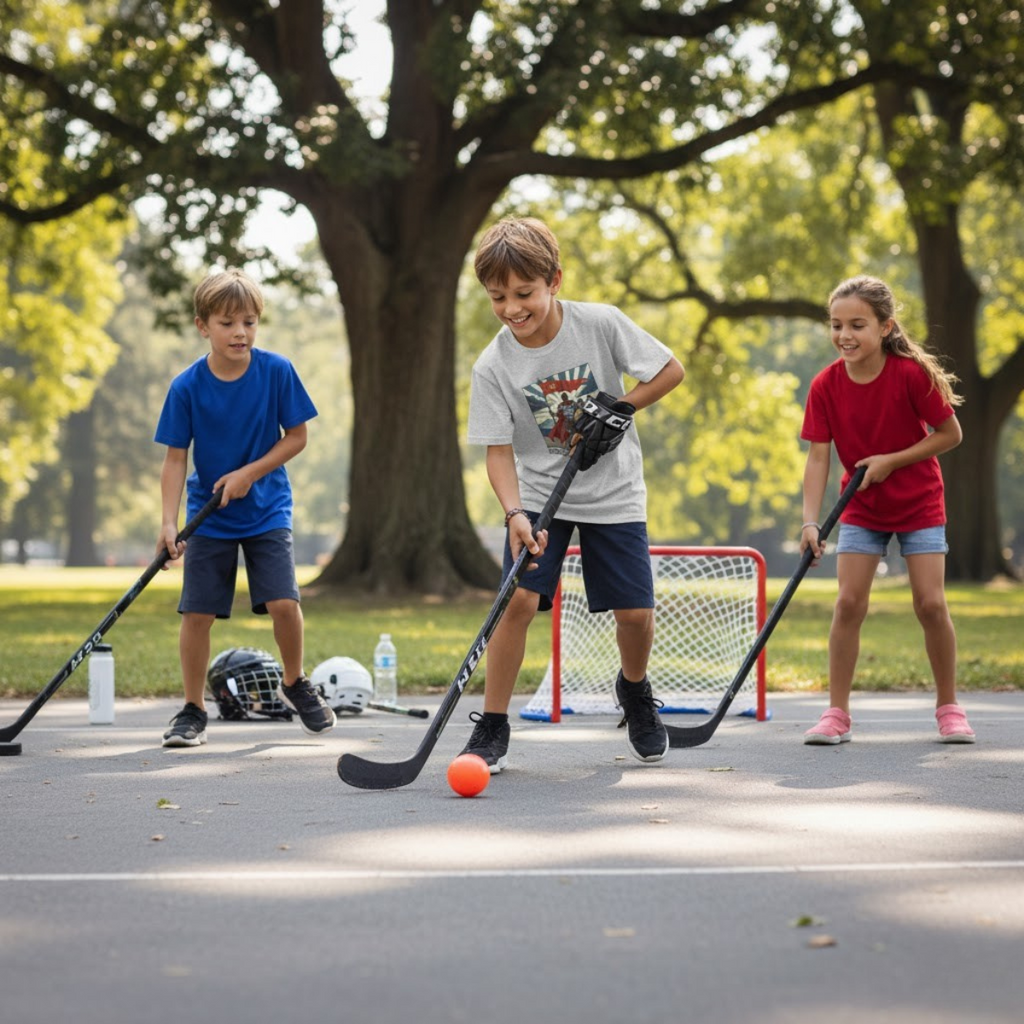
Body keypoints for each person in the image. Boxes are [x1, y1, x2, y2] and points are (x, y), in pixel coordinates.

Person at [464, 216, 686, 772]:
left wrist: (623, 407)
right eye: (498, 297)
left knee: (634, 614)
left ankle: (633, 690)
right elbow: (497, 451)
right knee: (517, 602)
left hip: (613, 494)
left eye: (524, 293)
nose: (513, 308)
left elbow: (670, 370)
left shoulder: (600, 324)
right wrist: (514, 512)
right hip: (540, 496)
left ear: (554, 280)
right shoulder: (493, 365)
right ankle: (492, 724)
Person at [154, 268, 335, 748]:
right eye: (228, 323)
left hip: (267, 507)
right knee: (197, 613)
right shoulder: (186, 386)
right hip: (208, 515)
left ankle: (294, 682)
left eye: (250, 322)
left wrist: (249, 473)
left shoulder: (276, 371)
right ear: (203, 325)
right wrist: (169, 523)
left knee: (283, 603)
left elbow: (297, 437)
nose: (241, 333)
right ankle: (192, 710)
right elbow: (175, 460)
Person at [800, 274, 974, 745]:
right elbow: (818, 457)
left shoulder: (910, 375)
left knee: (930, 603)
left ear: (885, 326)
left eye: (857, 325)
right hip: (860, 507)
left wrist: (889, 462)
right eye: (836, 325)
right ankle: (836, 713)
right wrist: (811, 521)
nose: (844, 336)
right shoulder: (826, 385)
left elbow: (949, 434)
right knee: (849, 602)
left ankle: (949, 707)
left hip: (919, 502)